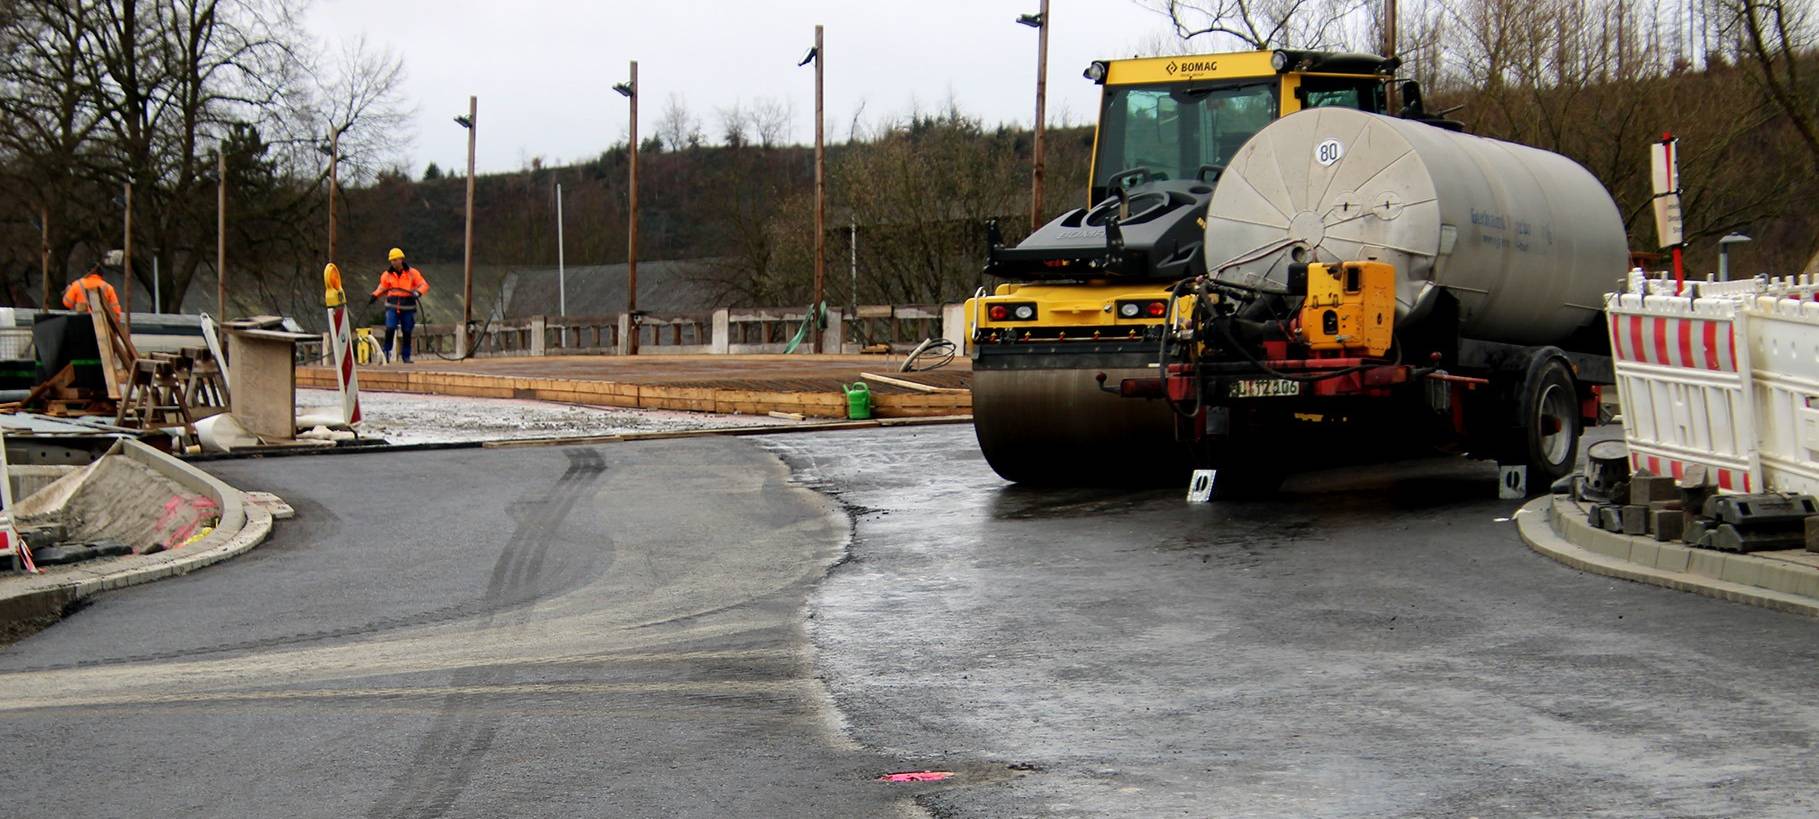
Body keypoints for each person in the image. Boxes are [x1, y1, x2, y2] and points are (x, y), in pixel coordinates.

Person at [370, 247, 430, 363]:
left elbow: (423, 284)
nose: (393, 262)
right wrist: (375, 295)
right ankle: (386, 353)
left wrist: (418, 292)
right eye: (391, 260)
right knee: (390, 328)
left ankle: (406, 356)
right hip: (392, 306)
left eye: (395, 259)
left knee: (407, 331)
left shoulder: (412, 273)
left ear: (401, 259)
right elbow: (382, 287)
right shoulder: (387, 275)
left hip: (408, 306)